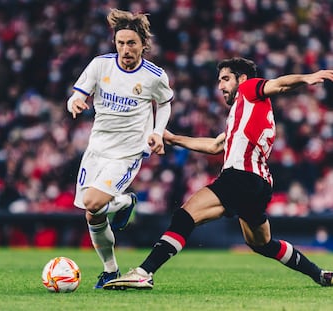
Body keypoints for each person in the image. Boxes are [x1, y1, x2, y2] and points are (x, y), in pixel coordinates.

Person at [103, 57, 333, 289]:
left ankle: (144, 272)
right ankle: (320, 274)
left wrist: (306, 77)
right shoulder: (247, 113)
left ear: (241, 79)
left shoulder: (249, 89)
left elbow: (279, 84)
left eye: (225, 79)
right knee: (263, 244)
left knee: (185, 216)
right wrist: (173, 139)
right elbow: (214, 146)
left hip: (240, 177)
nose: (220, 86)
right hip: (259, 184)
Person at [66, 9, 173, 288]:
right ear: (115, 42)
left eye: (132, 43)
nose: (126, 49)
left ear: (142, 45)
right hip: (97, 149)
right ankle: (110, 270)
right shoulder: (100, 65)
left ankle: (125, 201)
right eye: (121, 42)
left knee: (93, 202)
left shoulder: (154, 75)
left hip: (127, 153)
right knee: (93, 214)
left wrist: (157, 133)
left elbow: (164, 103)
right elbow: (77, 94)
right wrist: (74, 102)